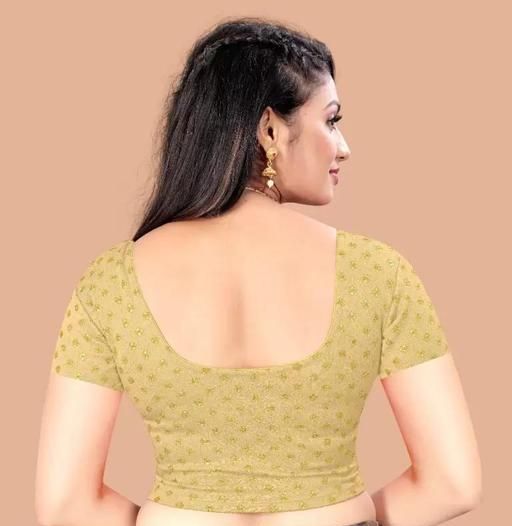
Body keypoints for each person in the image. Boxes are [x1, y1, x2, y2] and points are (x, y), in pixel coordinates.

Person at [35, 16, 482, 526]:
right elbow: (453, 483)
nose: (343, 146)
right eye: (331, 120)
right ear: (270, 129)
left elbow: (65, 504)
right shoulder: (376, 274)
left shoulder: (111, 282)